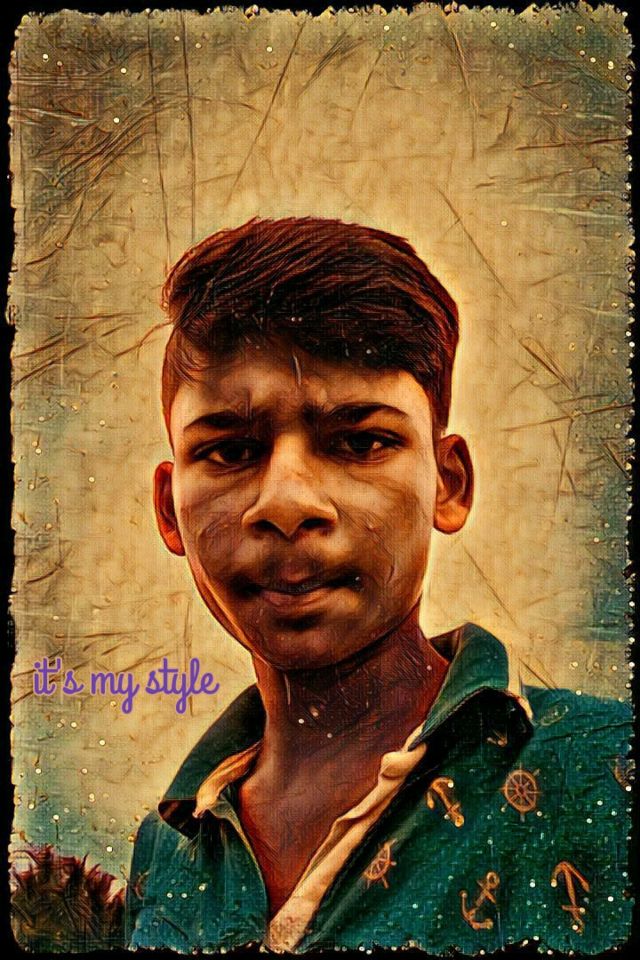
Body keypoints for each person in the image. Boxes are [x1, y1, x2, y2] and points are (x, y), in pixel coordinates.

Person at [125, 217, 632, 954]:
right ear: (170, 510)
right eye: (230, 451)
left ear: (447, 484)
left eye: (361, 442)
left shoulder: (606, 771)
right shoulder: (167, 845)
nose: (287, 503)